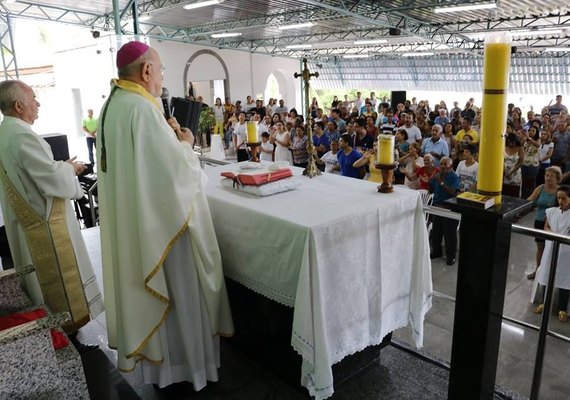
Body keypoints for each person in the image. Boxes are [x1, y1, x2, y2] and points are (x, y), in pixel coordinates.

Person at [97, 41, 233, 389]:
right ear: (146, 71)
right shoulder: (142, 109)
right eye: (160, 70)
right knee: (181, 296)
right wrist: (186, 143)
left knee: (164, 307)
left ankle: (163, 370)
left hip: (139, 222)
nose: (160, 77)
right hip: (165, 228)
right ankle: (190, 369)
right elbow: (177, 176)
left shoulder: (113, 106)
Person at [0, 80, 104, 349]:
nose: (38, 104)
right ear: (19, 105)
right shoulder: (22, 135)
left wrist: (60, 166)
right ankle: (66, 333)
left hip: (30, 220)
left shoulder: (6, 132)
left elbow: (37, 172)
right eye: (33, 99)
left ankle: (61, 333)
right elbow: (50, 179)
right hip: (44, 224)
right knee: (57, 282)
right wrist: (70, 169)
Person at [533, 185, 570, 322]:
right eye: (559, 198)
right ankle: (543, 302)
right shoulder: (552, 211)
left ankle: (562, 308)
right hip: (551, 247)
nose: (561, 201)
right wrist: (551, 233)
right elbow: (546, 226)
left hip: (566, 251)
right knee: (546, 274)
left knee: (565, 277)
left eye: (564, 198)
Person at [526, 166, 561, 280]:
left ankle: (551, 274)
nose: (548, 178)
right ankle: (538, 271)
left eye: (552, 176)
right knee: (540, 248)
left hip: (554, 223)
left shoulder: (560, 191)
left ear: (557, 179)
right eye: (547, 175)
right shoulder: (540, 188)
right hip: (539, 221)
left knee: (552, 249)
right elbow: (529, 200)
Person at [429, 156, 460, 265]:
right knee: (436, 232)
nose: (442, 166)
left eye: (445, 164)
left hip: (449, 209)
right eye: (441, 164)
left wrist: (441, 182)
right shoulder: (437, 176)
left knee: (449, 234)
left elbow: (453, 192)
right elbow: (431, 187)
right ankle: (436, 251)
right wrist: (432, 178)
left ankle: (451, 256)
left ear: (450, 166)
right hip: (437, 207)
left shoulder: (454, 177)